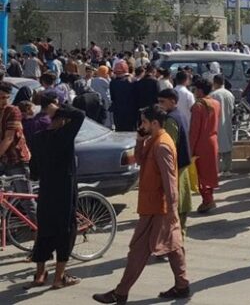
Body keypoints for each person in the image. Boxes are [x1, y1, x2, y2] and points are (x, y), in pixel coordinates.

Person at [93, 105, 189, 304]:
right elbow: (139, 158)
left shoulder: (162, 145)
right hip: (153, 206)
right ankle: (182, 285)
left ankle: (121, 292)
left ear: (155, 123)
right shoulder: (153, 141)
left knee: (138, 250)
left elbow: (170, 180)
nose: (141, 125)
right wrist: (139, 139)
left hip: (158, 208)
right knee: (173, 246)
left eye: (144, 122)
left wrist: (172, 210)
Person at [27, 105, 85, 290]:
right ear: (61, 120)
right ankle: (59, 277)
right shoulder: (64, 136)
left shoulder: (37, 138)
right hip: (65, 192)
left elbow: (34, 172)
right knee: (65, 231)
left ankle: (39, 274)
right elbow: (80, 114)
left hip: (46, 192)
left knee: (44, 232)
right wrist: (59, 108)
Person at [157, 89, 193, 235]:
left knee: (174, 207)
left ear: (172, 101)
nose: (160, 105)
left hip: (175, 168)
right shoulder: (180, 115)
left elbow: (169, 148)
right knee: (181, 205)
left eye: (162, 102)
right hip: (181, 166)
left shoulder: (171, 120)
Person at [0, 82, 35, 223]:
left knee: (27, 201)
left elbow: (8, 138)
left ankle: (43, 233)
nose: (4, 101)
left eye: (5, 97)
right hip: (4, 160)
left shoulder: (13, 111)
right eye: (1, 98)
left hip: (17, 161)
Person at [189, 78, 221, 213]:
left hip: (201, 143)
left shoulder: (198, 106)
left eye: (195, 89)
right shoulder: (216, 103)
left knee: (200, 173)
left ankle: (207, 200)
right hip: (213, 140)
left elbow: (194, 130)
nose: (194, 92)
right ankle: (209, 198)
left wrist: (189, 149)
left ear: (200, 90)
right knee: (210, 171)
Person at [209, 74, 235, 177]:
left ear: (214, 83)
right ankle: (227, 170)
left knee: (216, 148)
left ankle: (216, 169)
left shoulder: (213, 95)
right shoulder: (229, 94)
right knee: (227, 146)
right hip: (227, 122)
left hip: (216, 124)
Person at [110, 61, 136, 131]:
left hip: (118, 112)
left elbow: (112, 97)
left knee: (119, 132)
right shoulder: (133, 81)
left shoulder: (113, 82)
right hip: (131, 112)